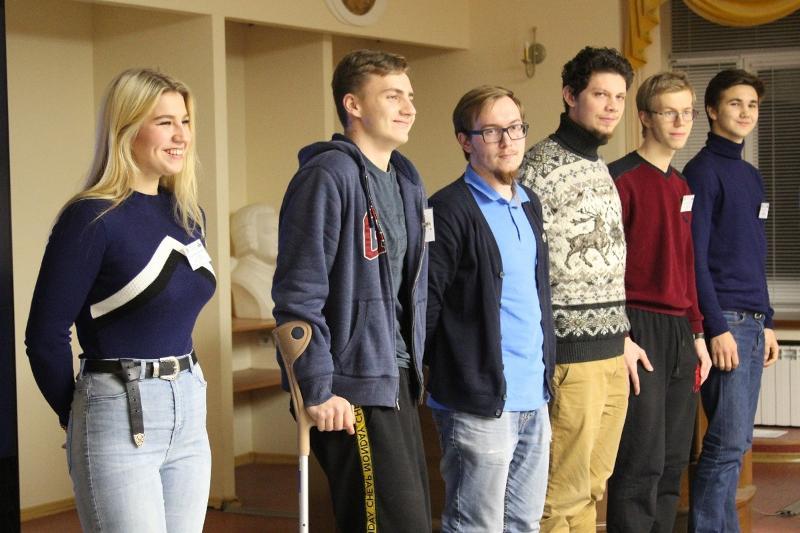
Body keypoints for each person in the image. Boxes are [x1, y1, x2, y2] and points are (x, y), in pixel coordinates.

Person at [25, 68, 215, 532]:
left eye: (185, 121)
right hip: (118, 408)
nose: (181, 135)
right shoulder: (91, 218)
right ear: (126, 129)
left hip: (190, 405)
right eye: (165, 122)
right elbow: (45, 336)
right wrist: (76, 414)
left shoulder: (188, 214)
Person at [271, 49, 431, 532]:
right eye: (393, 96)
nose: (408, 108)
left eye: (410, 96)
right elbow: (297, 296)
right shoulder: (327, 176)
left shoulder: (406, 179)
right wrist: (317, 389)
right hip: (349, 389)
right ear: (353, 105)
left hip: (397, 378)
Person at [518, 46, 649, 532]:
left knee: (593, 487)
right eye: (600, 94)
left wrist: (623, 338)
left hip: (611, 352)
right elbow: (525, 267)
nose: (612, 106)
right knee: (560, 494)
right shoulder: (538, 168)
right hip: (571, 356)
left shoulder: (598, 166)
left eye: (619, 96)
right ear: (570, 96)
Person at [425, 86, 556, 532]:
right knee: (475, 526)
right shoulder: (447, 209)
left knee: (524, 524)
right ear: (465, 141)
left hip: (533, 396)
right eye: (492, 131)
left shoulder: (529, 202)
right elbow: (427, 304)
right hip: (477, 402)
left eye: (515, 128)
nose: (508, 141)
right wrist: (450, 372)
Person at [605, 71, 712, 533]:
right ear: (645, 117)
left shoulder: (682, 186)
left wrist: (698, 334)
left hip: (680, 333)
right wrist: (622, 334)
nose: (681, 122)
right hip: (639, 325)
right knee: (640, 464)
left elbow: (687, 266)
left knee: (672, 464)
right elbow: (604, 270)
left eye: (687, 112)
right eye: (670, 112)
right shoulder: (620, 179)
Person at [686, 68, 780, 533]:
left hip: (752, 322)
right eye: (734, 103)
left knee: (736, 445)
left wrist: (769, 321)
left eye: (752, 105)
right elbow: (694, 259)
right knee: (725, 446)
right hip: (727, 323)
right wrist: (716, 326)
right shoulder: (701, 172)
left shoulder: (750, 175)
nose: (745, 112)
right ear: (712, 109)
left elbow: (753, 253)